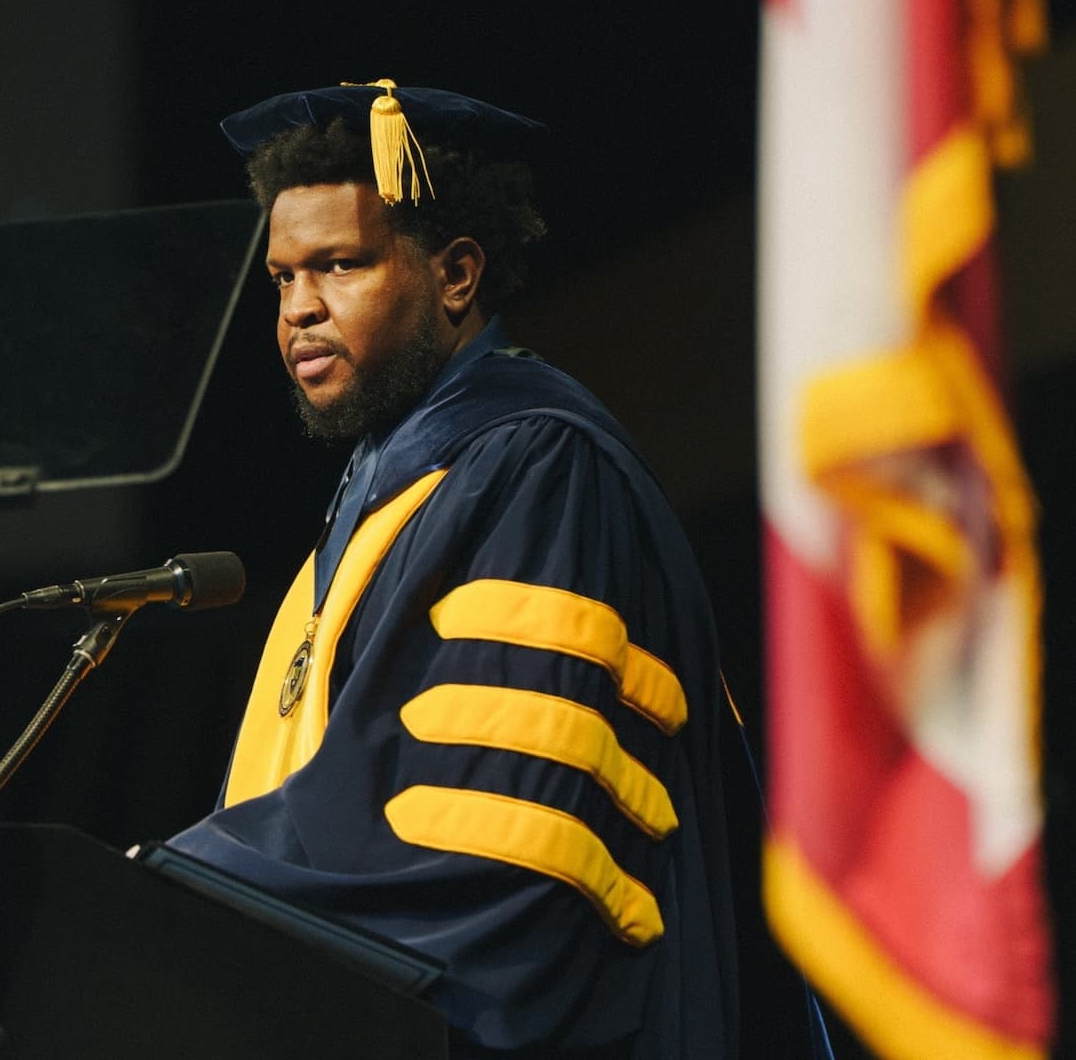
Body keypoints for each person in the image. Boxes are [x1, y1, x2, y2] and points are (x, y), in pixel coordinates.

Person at [167, 81, 740, 1058]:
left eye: (338, 265)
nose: (299, 308)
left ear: (457, 274)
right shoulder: (383, 495)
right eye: (281, 277)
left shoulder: (539, 470)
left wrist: (177, 889)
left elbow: (493, 838)